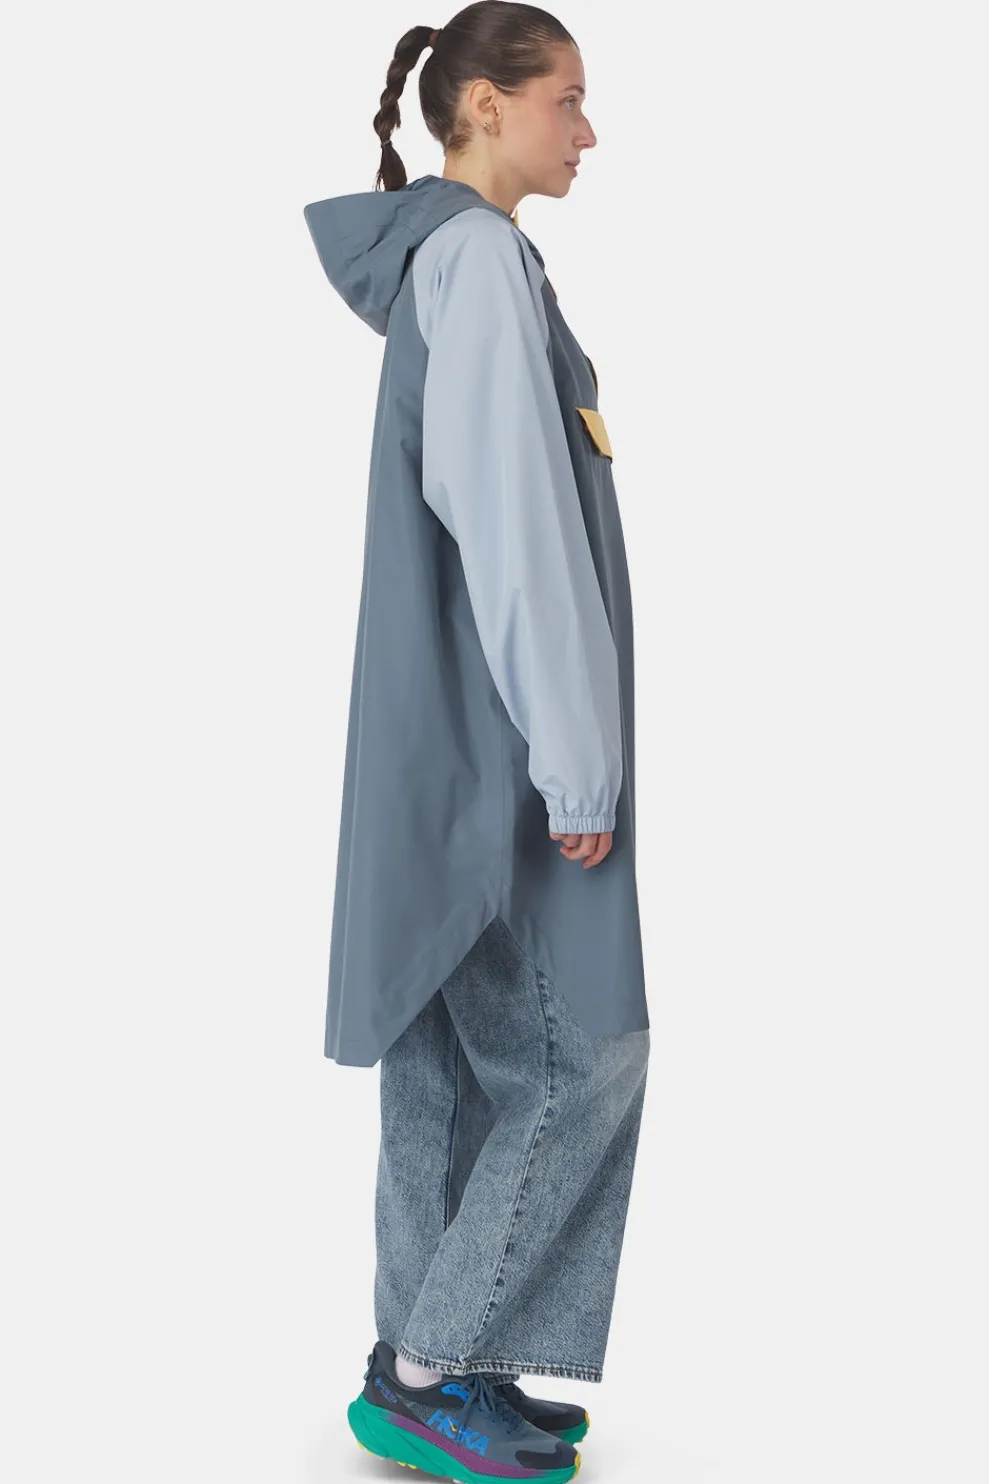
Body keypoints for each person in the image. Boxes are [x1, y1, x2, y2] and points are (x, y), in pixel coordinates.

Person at [302, 4, 651, 1480]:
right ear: (489, 107)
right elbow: (515, 533)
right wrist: (577, 760)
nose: (590, 131)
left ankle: (435, 1358)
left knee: (450, 1069)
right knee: (585, 1059)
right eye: (568, 99)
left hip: (439, 741)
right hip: (500, 755)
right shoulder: (484, 265)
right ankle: (431, 1368)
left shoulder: (445, 260)